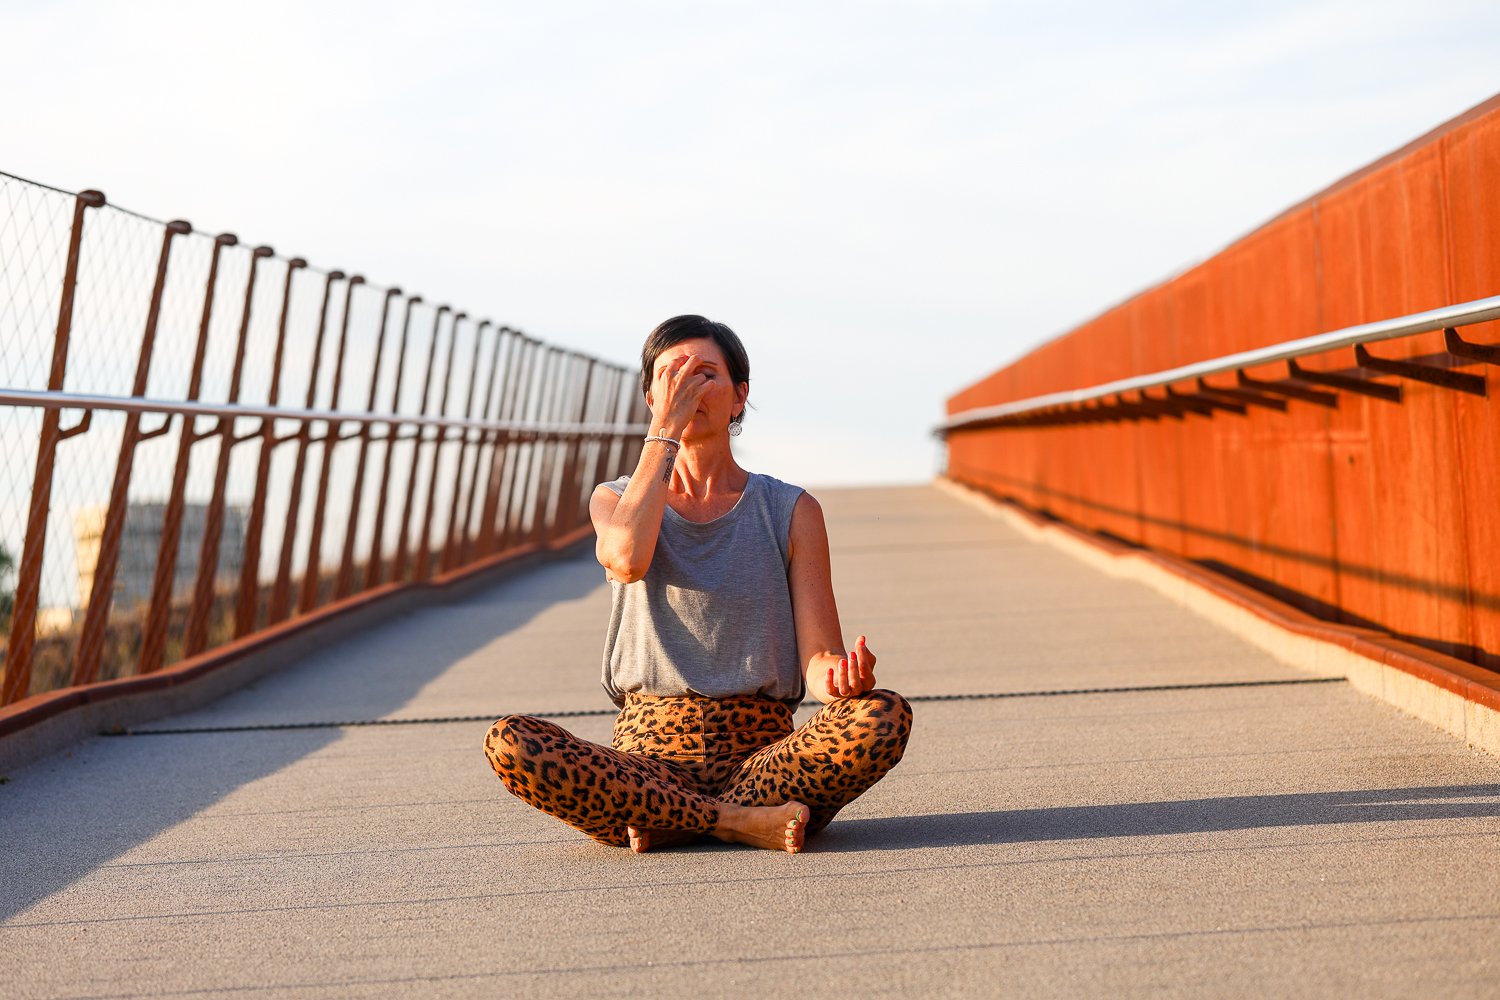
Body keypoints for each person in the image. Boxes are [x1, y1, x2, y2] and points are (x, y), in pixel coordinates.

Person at [483, 315, 911, 854]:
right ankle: (736, 822)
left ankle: (681, 821)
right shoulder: (613, 499)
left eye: (705, 375)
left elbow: (819, 656)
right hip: (647, 762)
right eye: (671, 376)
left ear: (739, 397)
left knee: (883, 714)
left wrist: (842, 681)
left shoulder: (791, 509)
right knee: (511, 742)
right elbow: (626, 560)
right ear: (652, 399)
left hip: (762, 761)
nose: (687, 388)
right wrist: (665, 434)